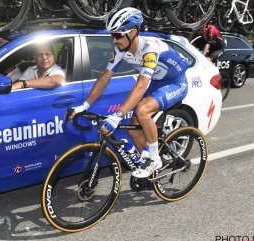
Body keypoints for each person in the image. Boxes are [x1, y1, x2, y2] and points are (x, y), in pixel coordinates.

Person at [69, 7, 189, 178]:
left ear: (133, 31)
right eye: (112, 35)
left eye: (117, 35)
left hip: (176, 82)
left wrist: (117, 116)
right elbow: (104, 78)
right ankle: (150, 169)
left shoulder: (150, 48)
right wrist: (84, 105)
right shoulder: (120, 50)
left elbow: (141, 86)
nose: (114, 40)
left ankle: (155, 158)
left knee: (142, 110)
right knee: (133, 131)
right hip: (157, 82)